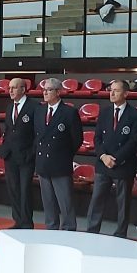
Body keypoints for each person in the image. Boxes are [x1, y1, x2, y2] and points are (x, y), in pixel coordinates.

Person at [85, 80, 137, 237]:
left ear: (126, 93)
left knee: (123, 202)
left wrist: (115, 159)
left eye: (116, 90)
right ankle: (91, 231)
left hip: (123, 164)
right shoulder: (105, 112)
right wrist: (103, 156)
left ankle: (120, 234)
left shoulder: (135, 114)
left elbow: (133, 141)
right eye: (111, 90)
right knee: (97, 199)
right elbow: (97, 138)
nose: (112, 93)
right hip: (103, 163)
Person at [35, 78, 83, 231]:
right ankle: (51, 228)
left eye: (49, 90)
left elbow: (77, 139)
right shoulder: (39, 110)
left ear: (58, 92)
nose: (45, 92)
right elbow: (36, 136)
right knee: (48, 202)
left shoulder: (69, 112)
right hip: (43, 163)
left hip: (60, 163)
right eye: (44, 89)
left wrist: (64, 155)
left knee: (65, 202)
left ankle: (69, 229)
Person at [0, 77, 38, 229]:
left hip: (26, 155)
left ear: (23, 89)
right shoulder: (10, 107)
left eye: (14, 88)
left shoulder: (34, 107)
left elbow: (38, 133)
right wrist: (4, 148)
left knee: (25, 190)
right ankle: (17, 220)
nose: (10, 91)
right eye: (9, 88)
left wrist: (31, 152)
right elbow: (9, 130)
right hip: (10, 155)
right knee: (13, 189)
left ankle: (27, 222)